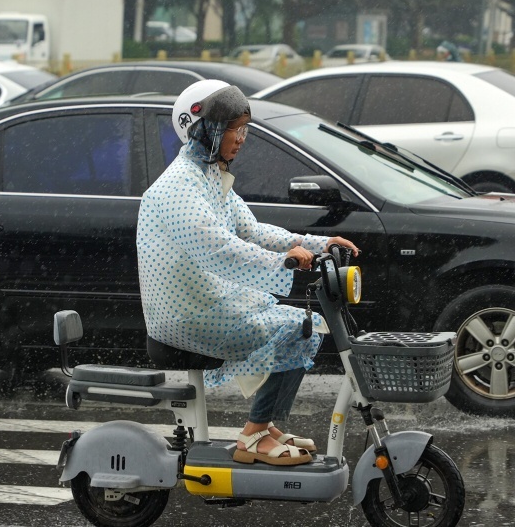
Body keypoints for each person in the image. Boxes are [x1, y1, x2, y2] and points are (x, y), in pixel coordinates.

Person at [136, 79, 359, 466]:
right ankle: (253, 436)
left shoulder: (209, 175)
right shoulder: (178, 188)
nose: (241, 138)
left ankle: (262, 424)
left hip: (209, 299)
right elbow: (220, 250)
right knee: (296, 328)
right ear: (205, 130)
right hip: (185, 313)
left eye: (244, 129)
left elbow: (251, 230)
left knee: (308, 324)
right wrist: (283, 261)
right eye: (233, 129)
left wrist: (318, 243)